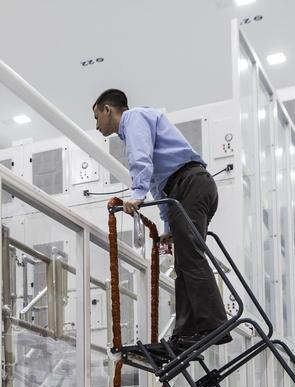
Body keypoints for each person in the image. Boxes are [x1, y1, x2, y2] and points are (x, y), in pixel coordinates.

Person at [91, 89, 227, 349]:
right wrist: (167, 227)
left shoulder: (134, 120)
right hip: (187, 189)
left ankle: (214, 325)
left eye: (97, 117)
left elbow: (140, 160)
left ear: (108, 109)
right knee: (184, 260)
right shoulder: (136, 126)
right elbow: (159, 183)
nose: (96, 125)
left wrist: (136, 194)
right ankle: (186, 331)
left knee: (191, 257)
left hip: (190, 185)